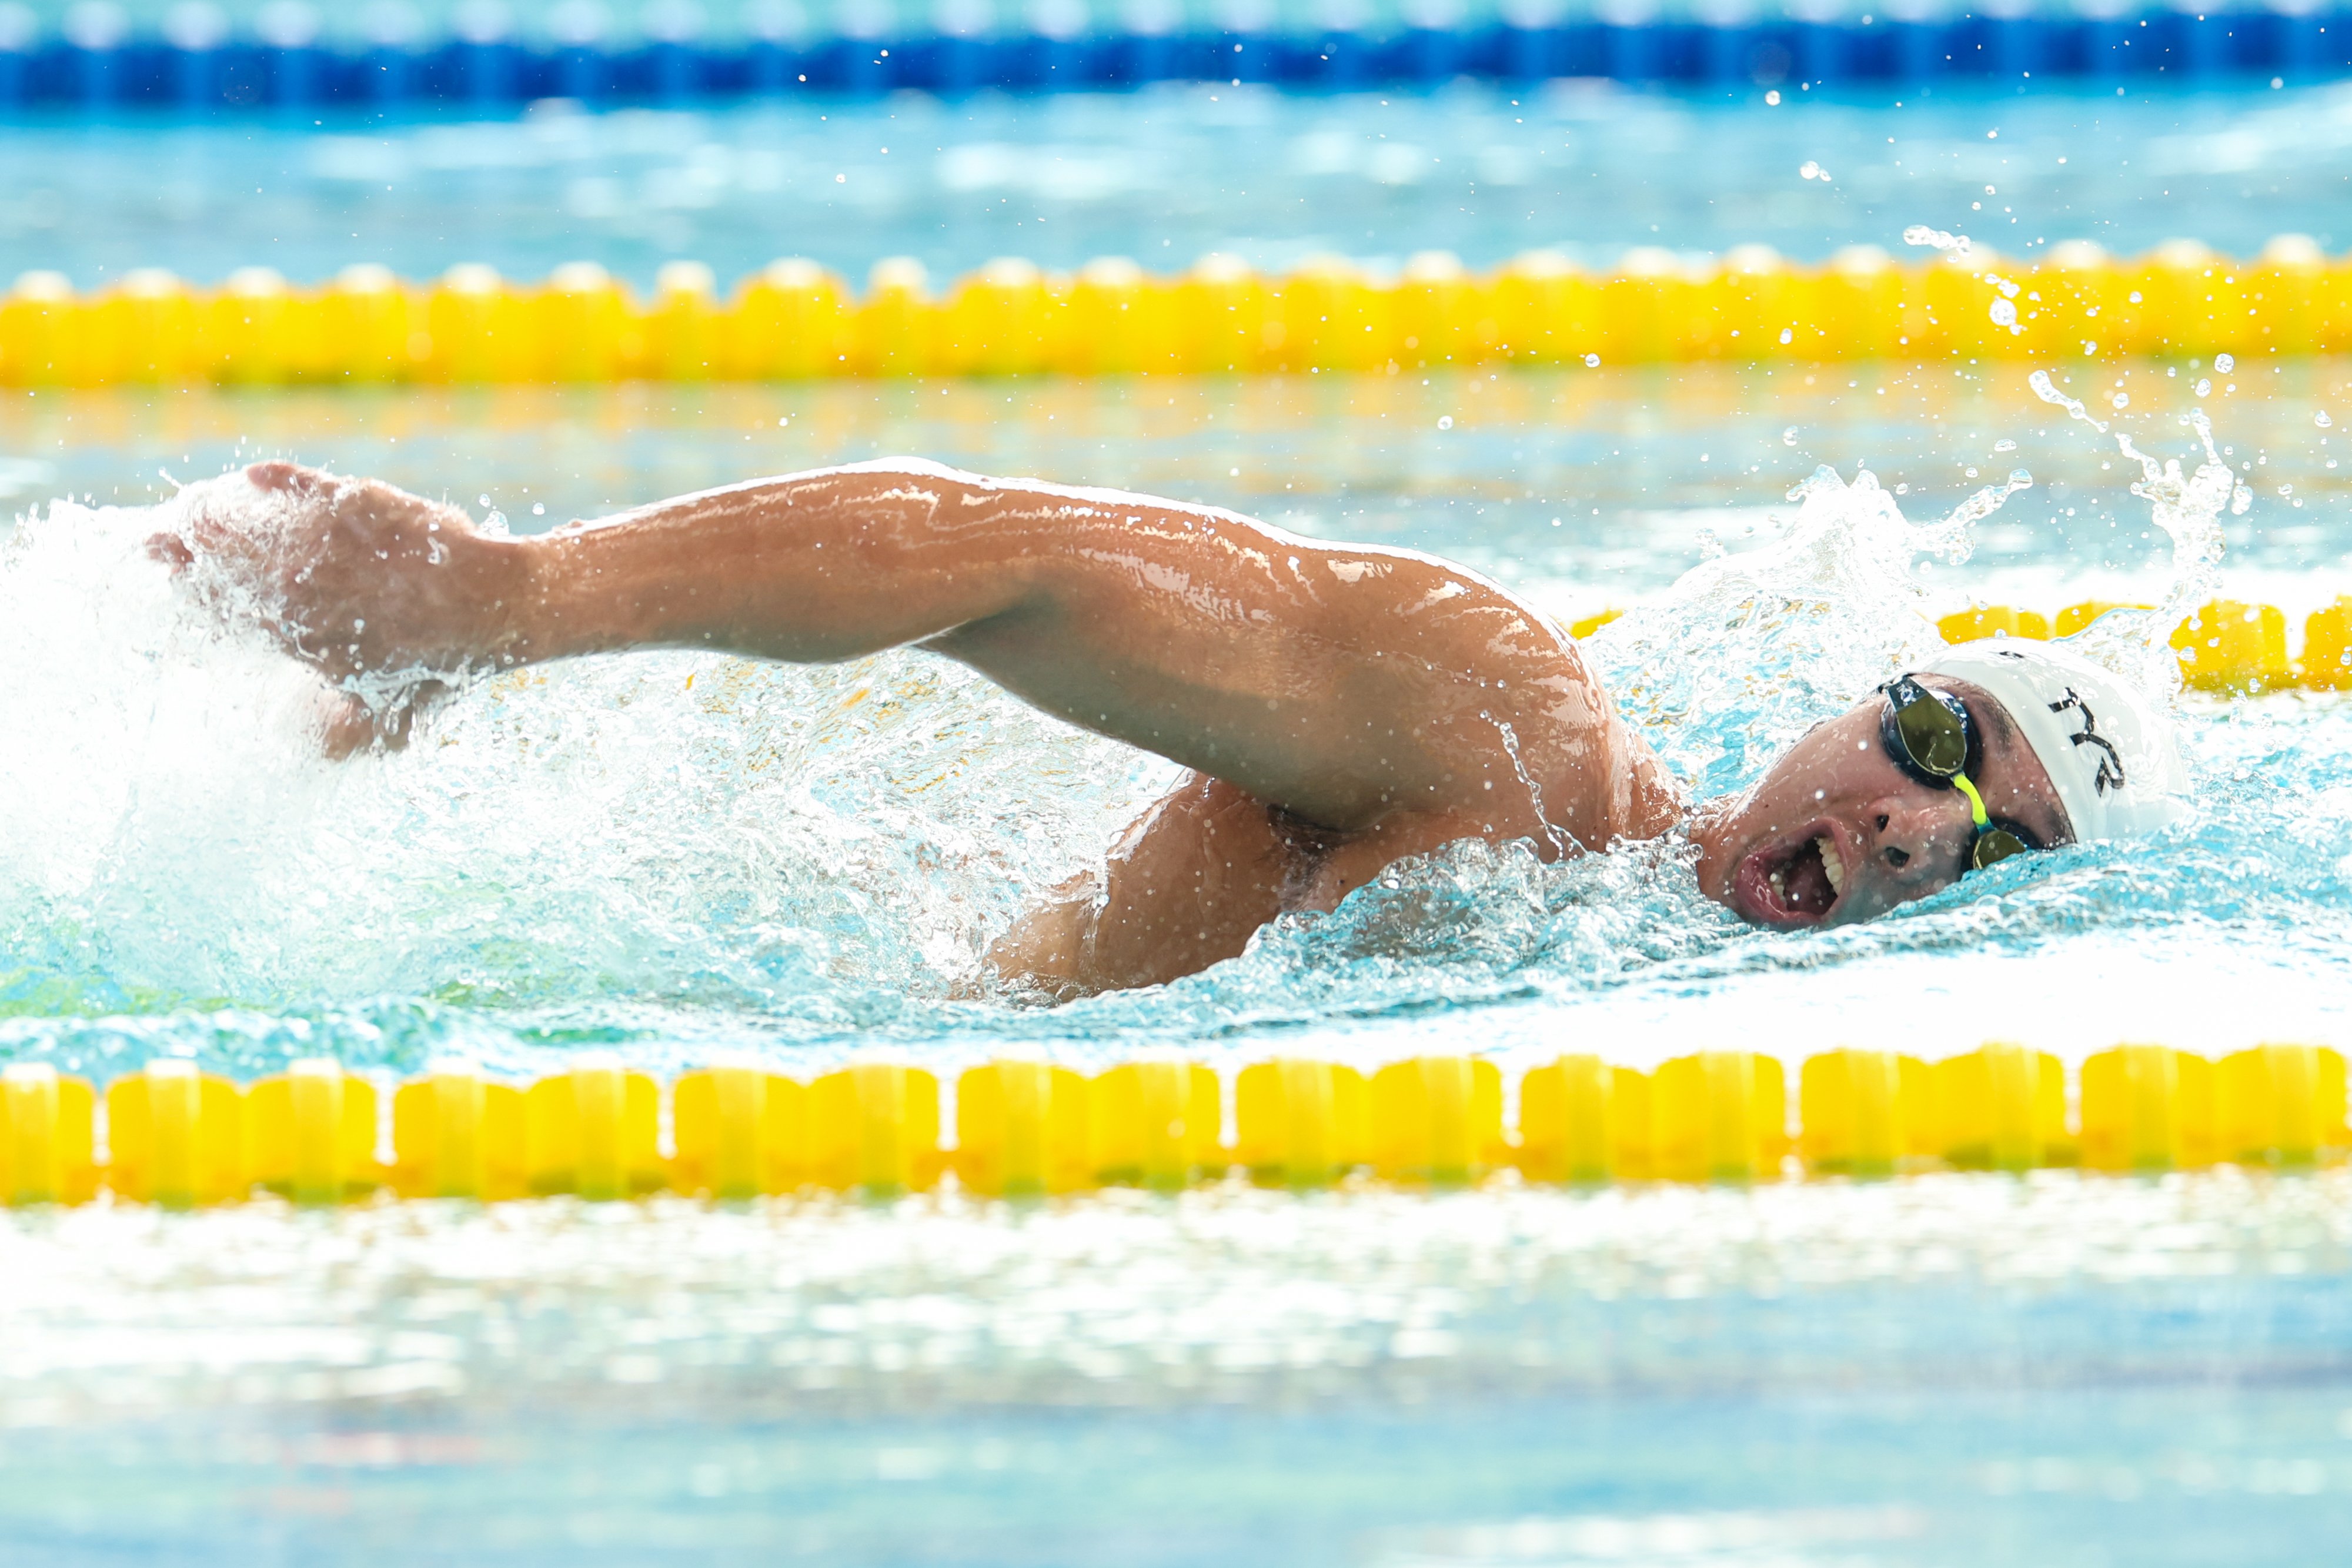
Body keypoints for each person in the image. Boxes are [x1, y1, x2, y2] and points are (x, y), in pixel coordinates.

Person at [149, 458, 2189, 997]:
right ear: (1853, 702)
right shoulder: (1512, 735)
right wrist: (514, 609)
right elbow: (1015, 556)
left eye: (1995, 848)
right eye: (1934, 742)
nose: (1924, 831)